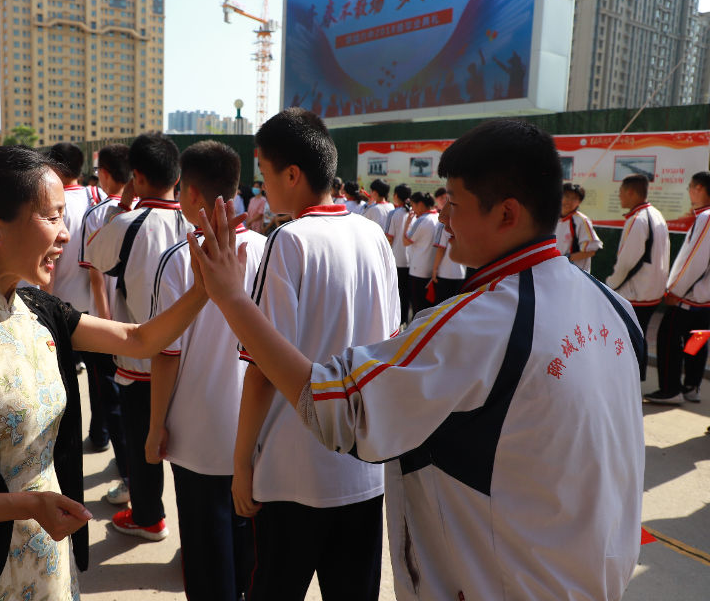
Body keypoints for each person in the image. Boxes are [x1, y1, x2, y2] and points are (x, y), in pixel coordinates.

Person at [189, 118, 645, 601]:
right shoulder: (614, 308)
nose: (443, 219)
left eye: (456, 204)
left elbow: (340, 408)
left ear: (507, 214)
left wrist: (233, 300)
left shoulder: (480, 323)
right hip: (581, 576)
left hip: (504, 579)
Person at [0, 145, 215, 599]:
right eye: (52, 218)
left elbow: (138, 341)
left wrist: (206, 289)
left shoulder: (35, 308)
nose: (66, 235)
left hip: (47, 556)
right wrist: (25, 504)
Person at [232, 108, 396, 600]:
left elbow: (261, 370)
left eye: (264, 175)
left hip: (295, 473)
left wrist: (241, 464)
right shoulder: (372, 235)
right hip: (364, 467)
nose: (263, 188)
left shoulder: (288, 240)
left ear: (293, 175)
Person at [145, 141, 264, 601]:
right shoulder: (272, 250)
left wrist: (155, 427)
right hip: (255, 432)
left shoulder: (179, 258)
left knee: (206, 556)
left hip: (197, 437)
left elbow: (165, 352)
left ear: (190, 193)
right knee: (249, 557)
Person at [87, 132, 193, 541]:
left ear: (138, 176)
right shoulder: (192, 221)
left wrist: (123, 205)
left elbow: (94, 257)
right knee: (186, 449)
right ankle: (191, 531)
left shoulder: (129, 224)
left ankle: (149, 516)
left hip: (142, 356)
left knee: (143, 444)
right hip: (188, 357)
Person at [80, 143, 132, 504]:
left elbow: (96, 275)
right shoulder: (163, 213)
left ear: (106, 174)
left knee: (113, 401)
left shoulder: (99, 214)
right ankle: (132, 473)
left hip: (110, 324)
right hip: (144, 327)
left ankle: (129, 473)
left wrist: (104, 321)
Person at [46, 142, 108, 450]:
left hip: (59, 305)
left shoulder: (50, 203)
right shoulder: (97, 197)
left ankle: (66, 442)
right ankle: (100, 434)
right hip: (97, 308)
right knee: (100, 383)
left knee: (63, 381)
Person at [648, 170, 710, 405]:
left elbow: (694, 260)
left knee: (668, 340)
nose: (689, 192)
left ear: (699, 188)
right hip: (704, 301)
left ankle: (670, 388)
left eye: (690, 187)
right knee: (697, 341)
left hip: (689, 298)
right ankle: (691, 386)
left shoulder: (705, 217)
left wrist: (674, 290)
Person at [606, 174, 669, 381]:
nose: (620, 197)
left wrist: (610, 286)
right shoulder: (656, 214)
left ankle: (628, 383)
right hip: (651, 291)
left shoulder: (638, 219)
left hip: (636, 293)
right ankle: (635, 381)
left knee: (628, 340)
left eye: (621, 192)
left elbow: (627, 262)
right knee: (638, 338)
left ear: (630, 192)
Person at [403, 191, 439, 314]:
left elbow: (406, 241)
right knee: (428, 308)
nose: (412, 209)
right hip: (433, 268)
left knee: (418, 308)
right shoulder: (437, 217)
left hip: (418, 270)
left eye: (413, 205)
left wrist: (407, 223)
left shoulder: (422, 220)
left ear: (421, 204)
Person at [556, 182, 602, 272]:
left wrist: (567, 258)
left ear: (579, 202)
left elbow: (591, 250)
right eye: (567, 196)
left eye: (574, 198)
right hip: (553, 271)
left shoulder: (581, 221)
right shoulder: (550, 218)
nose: (569, 201)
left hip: (574, 275)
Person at [385, 183, 413, 322]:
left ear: (396, 196)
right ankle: (407, 321)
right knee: (408, 294)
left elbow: (389, 238)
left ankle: (399, 322)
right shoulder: (414, 211)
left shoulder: (394, 213)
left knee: (398, 293)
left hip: (397, 259)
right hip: (412, 261)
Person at [430, 208, 466, 305]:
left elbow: (441, 249)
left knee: (442, 306)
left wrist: (434, 269)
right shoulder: (468, 224)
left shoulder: (446, 225)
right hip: (461, 273)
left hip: (445, 272)